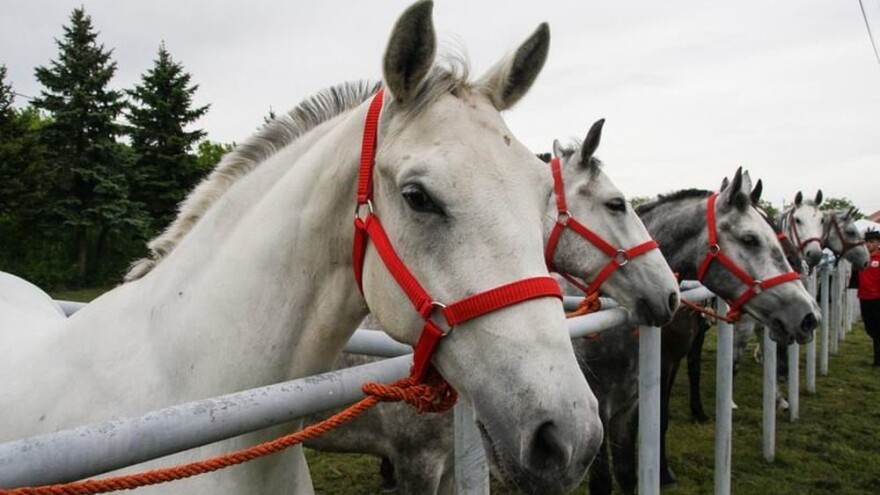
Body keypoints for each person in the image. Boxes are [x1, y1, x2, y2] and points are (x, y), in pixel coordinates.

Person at [858, 229, 880, 366]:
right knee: (870, 329)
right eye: (866, 242)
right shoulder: (862, 259)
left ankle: (877, 360)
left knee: (877, 330)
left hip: (877, 298)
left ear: (878, 243)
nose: (868, 245)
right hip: (864, 297)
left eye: (871, 242)